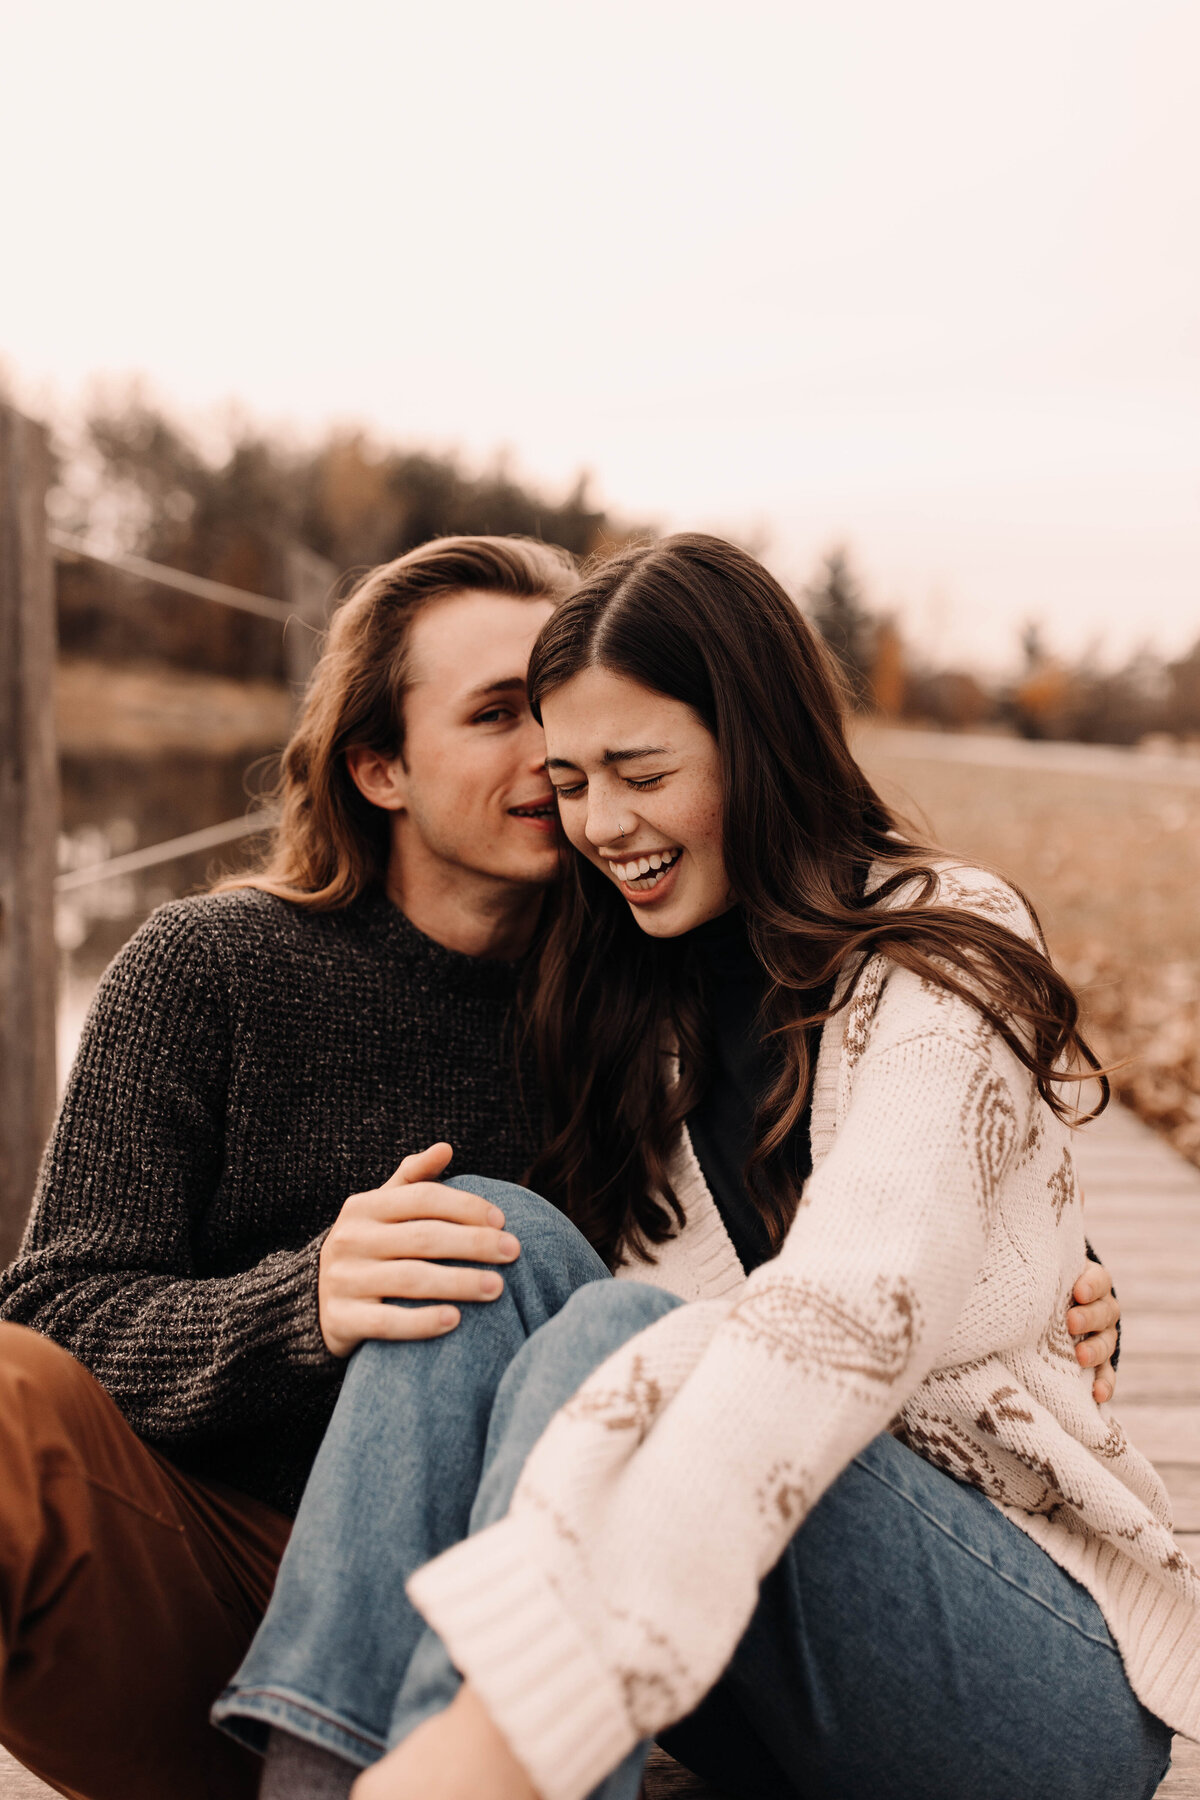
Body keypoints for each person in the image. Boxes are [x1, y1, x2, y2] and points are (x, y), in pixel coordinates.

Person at [213, 536, 1176, 1800]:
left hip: (1021, 1670)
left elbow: (872, 1280)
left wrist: (1060, 1272)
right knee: (479, 1239)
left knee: (628, 1337)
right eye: (569, 780)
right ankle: (320, 1774)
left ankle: (478, 1761)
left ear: (758, 743)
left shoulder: (949, 947)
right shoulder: (621, 1005)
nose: (603, 824)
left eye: (642, 771)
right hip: (719, 1650)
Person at [0, 535, 589, 1800]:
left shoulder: (644, 993)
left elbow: (841, 1193)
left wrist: (1058, 1276)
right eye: (498, 714)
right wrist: (300, 1303)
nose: (551, 749)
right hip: (221, 1585)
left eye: (566, 706)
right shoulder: (208, 968)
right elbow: (59, 1311)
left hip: (519, 1617)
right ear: (379, 765)